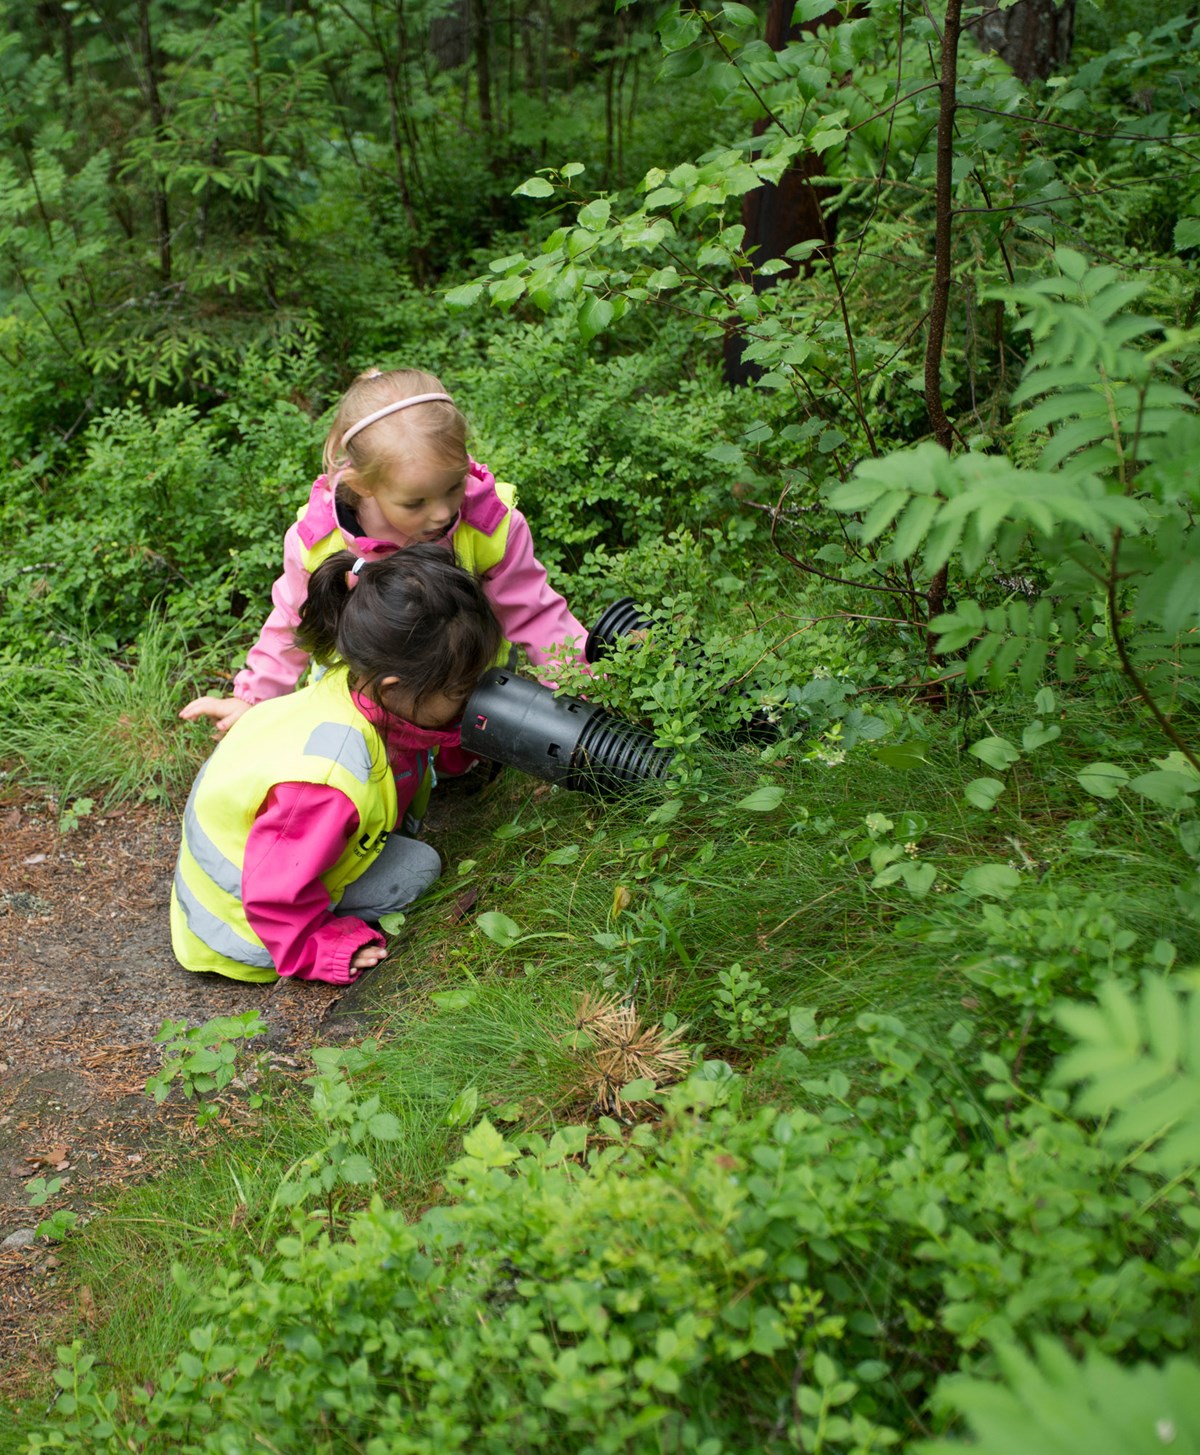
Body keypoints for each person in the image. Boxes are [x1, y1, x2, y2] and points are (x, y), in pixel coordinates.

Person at [181, 367, 587, 735]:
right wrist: (253, 701)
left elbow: (534, 613)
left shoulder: (488, 523)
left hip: (462, 692)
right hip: (360, 698)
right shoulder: (322, 541)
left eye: (454, 486)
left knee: (459, 759)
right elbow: (293, 622)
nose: (444, 513)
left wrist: (584, 687)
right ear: (363, 486)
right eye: (416, 503)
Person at [170, 545, 502, 986]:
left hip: (267, 858)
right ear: (396, 687)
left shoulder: (360, 678)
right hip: (243, 926)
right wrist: (323, 947)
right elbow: (272, 896)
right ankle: (316, 933)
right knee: (417, 869)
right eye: (462, 690)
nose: (471, 698)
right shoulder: (328, 783)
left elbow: (421, 738)